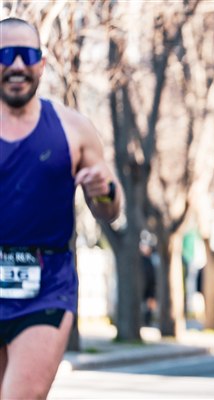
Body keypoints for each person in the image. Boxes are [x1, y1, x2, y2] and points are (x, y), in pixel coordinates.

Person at [0, 18, 122, 399]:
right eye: (7, 54)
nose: (17, 65)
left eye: (27, 55)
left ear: (41, 63)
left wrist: (104, 192)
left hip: (46, 287)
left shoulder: (73, 129)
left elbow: (110, 210)